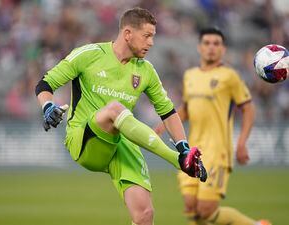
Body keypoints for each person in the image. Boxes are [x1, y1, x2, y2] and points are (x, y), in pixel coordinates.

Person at [35, 7, 207, 225]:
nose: (151, 43)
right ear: (127, 34)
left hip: (121, 143)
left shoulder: (146, 70)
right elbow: (45, 83)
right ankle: (178, 161)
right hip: (84, 140)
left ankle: (183, 155)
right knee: (115, 109)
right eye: (147, 36)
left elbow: (168, 111)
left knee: (145, 215)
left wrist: (184, 145)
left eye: (153, 37)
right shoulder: (89, 54)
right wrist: (48, 106)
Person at [155, 27, 271, 225]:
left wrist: (242, 142)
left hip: (217, 151)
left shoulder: (229, 76)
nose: (211, 48)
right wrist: (160, 128)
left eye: (216, 44)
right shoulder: (190, 76)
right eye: (207, 43)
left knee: (206, 210)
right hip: (192, 150)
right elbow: (186, 109)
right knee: (191, 207)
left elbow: (248, 108)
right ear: (199, 48)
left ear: (223, 49)